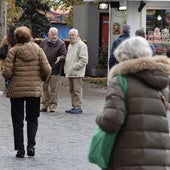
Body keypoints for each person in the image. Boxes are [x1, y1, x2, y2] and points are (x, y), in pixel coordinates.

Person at [96, 36, 170, 169]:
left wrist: (99, 119)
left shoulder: (120, 81)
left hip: (128, 157)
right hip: (158, 159)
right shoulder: (160, 82)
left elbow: (111, 120)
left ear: (123, 57)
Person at [2, 26, 51, 158]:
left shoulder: (13, 51)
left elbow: (7, 72)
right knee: (32, 118)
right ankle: (31, 145)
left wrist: (7, 76)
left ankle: (20, 149)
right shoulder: (38, 50)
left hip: (16, 90)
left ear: (16, 37)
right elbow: (47, 69)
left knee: (17, 120)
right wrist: (41, 80)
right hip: (34, 91)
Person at [39, 27, 67, 112]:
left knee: (54, 89)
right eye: (52, 34)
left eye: (56, 35)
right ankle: (44, 105)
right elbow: (39, 53)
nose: (54, 36)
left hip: (55, 69)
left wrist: (60, 58)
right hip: (44, 69)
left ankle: (52, 105)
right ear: (48, 34)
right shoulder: (43, 43)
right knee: (44, 88)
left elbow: (64, 55)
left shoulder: (61, 44)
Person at [64, 28, 88, 114]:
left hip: (77, 72)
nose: (71, 36)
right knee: (72, 90)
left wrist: (74, 67)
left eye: (72, 35)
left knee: (77, 90)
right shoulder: (70, 45)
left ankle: (78, 106)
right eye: (70, 35)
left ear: (77, 35)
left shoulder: (82, 45)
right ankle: (74, 106)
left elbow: (84, 60)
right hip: (70, 72)